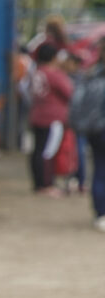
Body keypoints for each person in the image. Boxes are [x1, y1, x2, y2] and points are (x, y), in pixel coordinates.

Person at [28, 42, 75, 197]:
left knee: (38, 150)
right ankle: (46, 185)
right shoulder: (54, 74)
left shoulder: (36, 72)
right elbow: (70, 92)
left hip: (37, 116)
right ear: (54, 57)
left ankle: (38, 183)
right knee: (48, 152)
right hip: (52, 119)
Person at [69, 36, 105, 229]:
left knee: (99, 169)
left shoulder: (90, 74)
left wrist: (79, 126)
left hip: (94, 130)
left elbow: (76, 102)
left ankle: (101, 213)